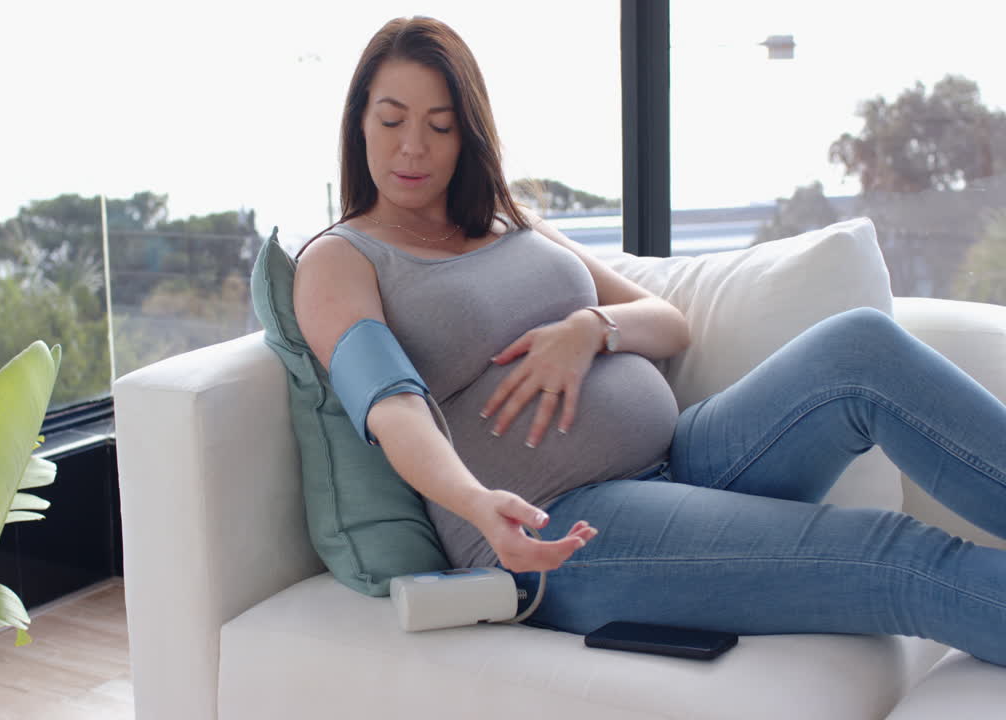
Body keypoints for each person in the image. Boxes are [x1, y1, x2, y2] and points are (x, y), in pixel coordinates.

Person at [292, 15, 1006, 665]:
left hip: (683, 460)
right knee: (896, 557)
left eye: (440, 126)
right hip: (564, 531)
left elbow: (667, 323)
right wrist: (478, 502)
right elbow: (391, 406)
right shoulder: (342, 259)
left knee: (861, 349)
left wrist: (586, 331)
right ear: (358, 123)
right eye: (391, 120)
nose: (412, 146)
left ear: (468, 134)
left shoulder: (509, 218)